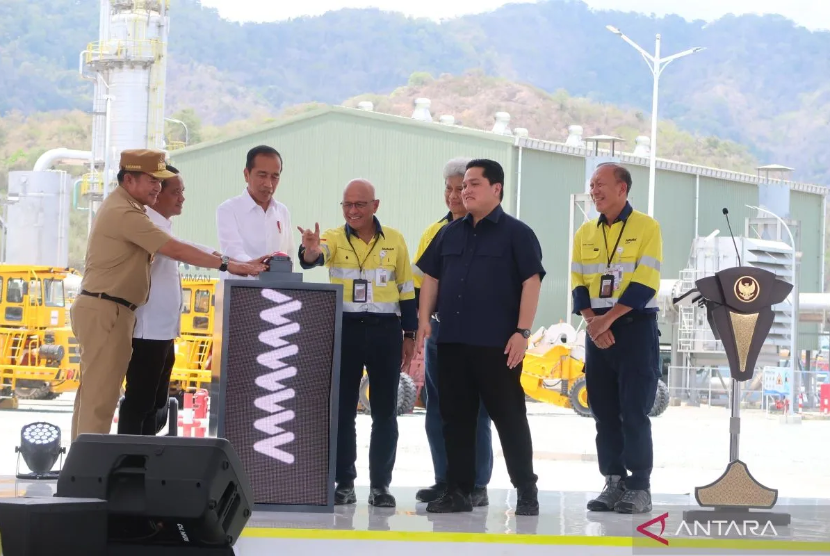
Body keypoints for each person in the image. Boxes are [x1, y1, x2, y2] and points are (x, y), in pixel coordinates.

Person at [70, 149, 265, 442]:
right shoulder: (124, 212)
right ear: (129, 179)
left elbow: (180, 243)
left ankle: (83, 468)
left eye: (160, 182)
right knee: (101, 400)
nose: (157, 188)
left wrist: (231, 261)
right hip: (106, 308)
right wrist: (229, 264)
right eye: (152, 180)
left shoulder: (130, 209)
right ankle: (85, 476)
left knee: (98, 397)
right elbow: (174, 249)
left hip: (115, 310)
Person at [415, 159, 543, 516]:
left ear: (496, 189)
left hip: (498, 346)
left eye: (473, 184)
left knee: (509, 418)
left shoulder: (517, 233)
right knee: (455, 419)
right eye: (463, 185)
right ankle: (458, 491)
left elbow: (531, 282)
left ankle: (526, 490)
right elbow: (432, 279)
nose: (464, 191)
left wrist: (522, 332)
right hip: (453, 342)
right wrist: (424, 319)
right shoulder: (449, 233)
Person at [118, 165, 265, 435]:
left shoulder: (163, 226)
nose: (182, 198)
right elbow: (181, 251)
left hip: (162, 332)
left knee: (155, 403)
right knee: (140, 403)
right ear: (156, 193)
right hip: (146, 330)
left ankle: (143, 462)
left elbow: (190, 247)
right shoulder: (145, 224)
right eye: (176, 192)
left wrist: (237, 262)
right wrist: (229, 265)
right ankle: (129, 466)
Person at [297, 179, 417, 508]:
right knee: (343, 411)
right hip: (346, 329)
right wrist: (309, 251)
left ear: (375, 205)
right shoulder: (333, 238)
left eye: (360, 204)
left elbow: (406, 288)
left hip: (385, 332)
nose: (353, 211)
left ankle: (380, 486)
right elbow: (315, 257)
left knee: (384, 412)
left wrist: (410, 334)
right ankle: (345, 483)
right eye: (347, 204)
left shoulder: (394, 239)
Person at [570, 162, 662, 514]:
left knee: (634, 410)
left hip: (634, 328)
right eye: (591, 185)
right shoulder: (585, 233)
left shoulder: (647, 227)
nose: (594, 191)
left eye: (600, 184)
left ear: (622, 189)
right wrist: (595, 323)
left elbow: (645, 281)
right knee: (603, 411)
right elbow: (579, 283)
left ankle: (639, 486)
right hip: (598, 329)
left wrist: (607, 321)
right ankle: (613, 480)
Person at [411, 157, 493, 507]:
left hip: (479, 334)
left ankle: (476, 483)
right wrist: (421, 325)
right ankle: (445, 479)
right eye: (447, 188)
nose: (452, 194)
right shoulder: (435, 232)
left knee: (476, 411)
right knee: (437, 407)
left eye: (459, 187)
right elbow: (420, 285)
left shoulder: (494, 231)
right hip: (441, 333)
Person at [216, 145, 295, 280]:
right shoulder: (228, 209)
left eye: (275, 177)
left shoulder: (282, 211)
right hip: (239, 294)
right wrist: (256, 267)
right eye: (262, 175)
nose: (269, 184)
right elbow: (233, 251)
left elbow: (289, 255)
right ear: (246, 174)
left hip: (276, 294)